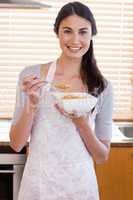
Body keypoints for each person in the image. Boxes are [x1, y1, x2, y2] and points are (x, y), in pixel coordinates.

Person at [9, 1, 113, 200]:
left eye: (83, 32)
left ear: (92, 34)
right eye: (67, 31)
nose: (75, 40)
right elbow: (16, 144)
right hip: (38, 186)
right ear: (57, 32)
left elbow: (101, 157)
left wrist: (82, 124)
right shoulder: (32, 77)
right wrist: (31, 105)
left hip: (80, 187)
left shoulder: (102, 87)